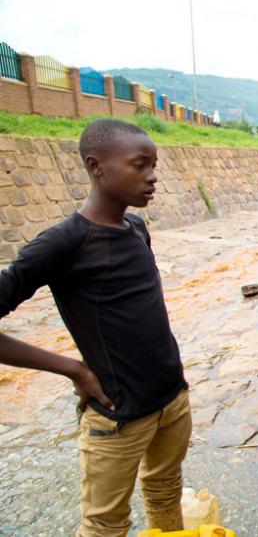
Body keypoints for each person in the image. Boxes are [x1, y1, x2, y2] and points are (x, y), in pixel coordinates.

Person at [0, 119, 191, 535]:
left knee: (164, 491)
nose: (152, 176)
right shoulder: (63, 243)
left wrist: (175, 389)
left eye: (153, 165)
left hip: (171, 402)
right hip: (117, 417)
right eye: (139, 165)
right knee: (105, 525)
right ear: (96, 166)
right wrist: (75, 369)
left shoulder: (137, 228)